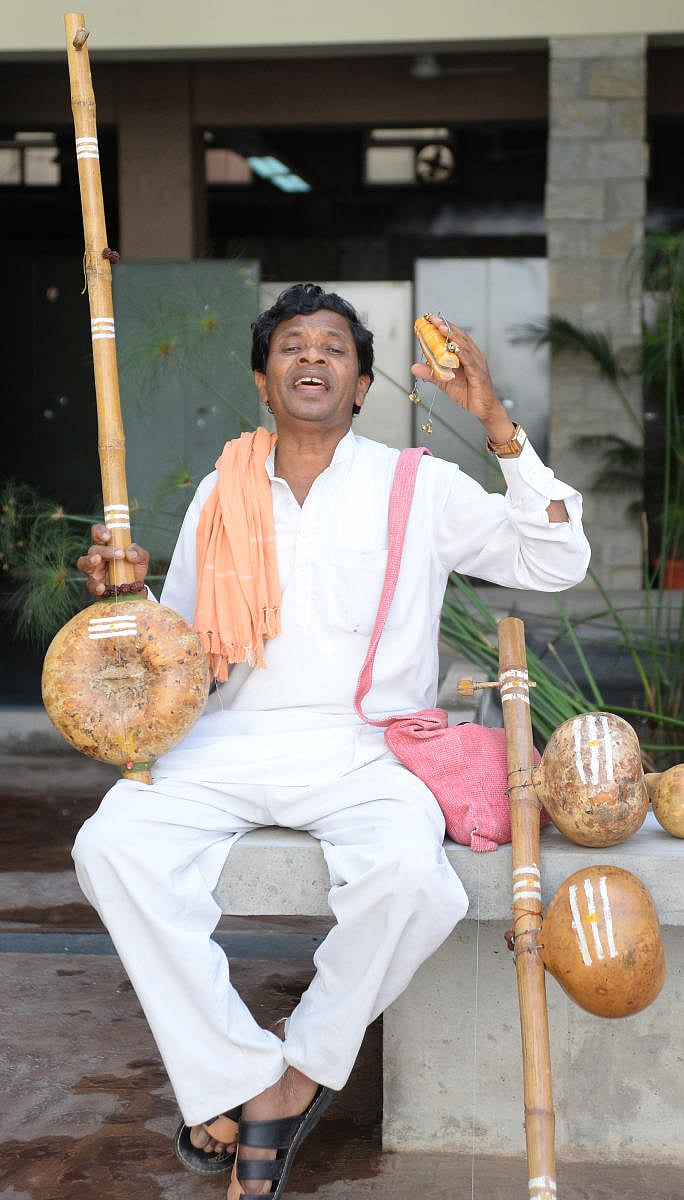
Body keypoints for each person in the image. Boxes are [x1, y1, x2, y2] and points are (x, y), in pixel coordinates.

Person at [73, 282, 590, 1199]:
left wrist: (496, 422)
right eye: (292, 345)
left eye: (333, 347)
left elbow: (555, 562)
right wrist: (125, 603)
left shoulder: (416, 485)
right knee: (110, 846)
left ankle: (294, 1076)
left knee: (413, 884)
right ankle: (243, 1077)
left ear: (359, 386)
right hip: (227, 741)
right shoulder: (218, 491)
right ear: (264, 382)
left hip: (365, 749)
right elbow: (181, 650)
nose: (312, 357)